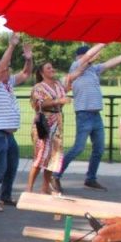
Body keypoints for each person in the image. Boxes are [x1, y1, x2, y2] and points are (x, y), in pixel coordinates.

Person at [58, 43, 121, 191]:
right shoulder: (75, 67)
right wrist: (103, 42)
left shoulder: (93, 70)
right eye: (89, 55)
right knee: (78, 148)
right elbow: (89, 56)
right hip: (84, 114)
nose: (94, 57)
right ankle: (56, 175)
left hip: (96, 115)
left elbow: (109, 63)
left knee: (99, 149)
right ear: (80, 57)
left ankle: (91, 178)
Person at [0, 32, 33, 212]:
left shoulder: (9, 83)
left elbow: (26, 74)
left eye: (9, 69)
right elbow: (3, 64)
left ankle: (6, 196)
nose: (8, 70)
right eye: (5, 69)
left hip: (7, 133)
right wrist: (11, 46)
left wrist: (28, 59)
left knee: (12, 163)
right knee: (0, 165)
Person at [25, 60, 86, 195]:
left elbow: (72, 76)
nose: (52, 69)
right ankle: (29, 189)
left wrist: (87, 61)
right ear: (42, 72)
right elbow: (38, 104)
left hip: (57, 125)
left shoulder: (58, 85)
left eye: (52, 67)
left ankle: (45, 188)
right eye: (48, 68)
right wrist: (58, 101)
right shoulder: (38, 87)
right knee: (40, 156)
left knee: (53, 157)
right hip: (44, 125)